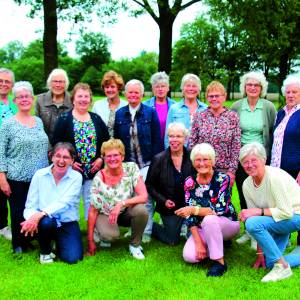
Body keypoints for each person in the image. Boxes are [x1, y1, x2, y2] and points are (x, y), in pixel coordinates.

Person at [175, 143, 239, 277]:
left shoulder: (222, 179)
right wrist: (198, 243)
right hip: (201, 227)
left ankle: (219, 263)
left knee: (210, 220)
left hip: (227, 223)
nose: (202, 163)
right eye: (198, 160)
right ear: (193, 162)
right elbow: (189, 216)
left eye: (206, 159)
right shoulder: (189, 182)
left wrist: (194, 209)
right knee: (190, 256)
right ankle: (216, 243)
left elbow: (219, 209)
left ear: (212, 161)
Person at [239, 142, 300, 282]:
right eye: (245, 162)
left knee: (252, 221)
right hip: (278, 219)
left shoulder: (274, 177)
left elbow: (286, 212)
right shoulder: (247, 184)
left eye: (254, 160)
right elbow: (257, 220)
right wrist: (260, 253)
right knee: (269, 261)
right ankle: (279, 261)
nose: (249, 165)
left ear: (263, 160)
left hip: (295, 215)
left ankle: (282, 267)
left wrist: (257, 211)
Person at [0, 81, 49, 253]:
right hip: (17, 177)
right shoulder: (8, 124)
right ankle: (19, 245)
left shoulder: (38, 121)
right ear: (15, 101)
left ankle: (31, 238)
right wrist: (2, 178)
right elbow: (0, 152)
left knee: (35, 210)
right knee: (18, 211)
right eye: (20, 97)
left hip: (39, 178)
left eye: (27, 96)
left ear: (32, 98)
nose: (24, 99)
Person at [231, 71, 276, 245]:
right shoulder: (236, 106)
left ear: (261, 88)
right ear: (244, 87)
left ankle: (264, 229)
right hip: (241, 158)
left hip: (261, 158)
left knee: (262, 194)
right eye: (249, 84)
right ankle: (249, 231)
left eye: (256, 85)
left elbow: (272, 131)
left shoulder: (268, 107)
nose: (252, 88)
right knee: (244, 193)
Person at [52, 83, 109, 219]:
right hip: (71, 170)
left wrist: (101, 158)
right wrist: (70, 163)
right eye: (80, 96)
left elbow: (106, 142)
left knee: (92, 202)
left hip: (93, 170)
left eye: (86, 96)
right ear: (73, 99)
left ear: (90, 99)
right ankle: (69, 230)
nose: (83, 99)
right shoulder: (64, 119)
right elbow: (57, 143)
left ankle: (92, 232)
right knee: (71, 202)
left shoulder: (96, 118)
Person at [114, 79, 161, 242]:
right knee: (130, 197)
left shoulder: (150, 112)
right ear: (125, 94)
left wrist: (155, 163)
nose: (133, 95)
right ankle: (135, 228)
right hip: (128, 164)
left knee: (146, 197)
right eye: (130, 92)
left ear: (142, 94)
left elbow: (157, 139)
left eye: (136, 92)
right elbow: (117, 141)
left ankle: (146, 231)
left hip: (147, 162)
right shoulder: (120, 113)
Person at [21, 142, 83, 264]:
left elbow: (65, 202)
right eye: (58, 156)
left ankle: (57, 243)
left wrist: (41, 213)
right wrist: (32, 219)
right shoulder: (39, 175)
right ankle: (45, 252)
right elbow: (30, 205)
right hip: (45, 223)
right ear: (51, 157)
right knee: (46, 221)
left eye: (66, 157)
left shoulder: (76, 177)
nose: (61, 160)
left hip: (66, 222)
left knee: (73, 258)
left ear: (72, 160)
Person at [87, 139, 148, 259]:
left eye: (116, 155)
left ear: (122, 156)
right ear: (103, 158)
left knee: (141, 211)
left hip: (124, 211)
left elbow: (144, 197)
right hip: (106, 213)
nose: (112, 159)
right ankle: (102, 234)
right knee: (110, 236)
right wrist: (90, 242)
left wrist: (121, 203)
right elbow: (93, 211)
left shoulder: (131, 168)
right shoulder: (98, 178)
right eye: (108, 156)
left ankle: (135, 245)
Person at [146, 122, 194, 245]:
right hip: (170, 207)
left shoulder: (193, 156)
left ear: (185, 138)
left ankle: (186, 226)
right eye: (171, 136)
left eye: (178, 136)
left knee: (192, 236)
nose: (174, 140)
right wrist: (163, 200)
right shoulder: (159, 159)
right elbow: (149, 185)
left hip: (190, 205)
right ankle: (151, 226)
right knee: (172, 240)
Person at [189, 81, 241, 186]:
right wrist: (196, 165)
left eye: (217, 96)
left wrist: (232, 171)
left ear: (224, 97)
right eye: (210, 96)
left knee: (222, 201)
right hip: (202, 168)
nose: (214, 99)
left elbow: (236, 145)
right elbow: (192, 143)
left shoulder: (232, 117)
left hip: (224, 169)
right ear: (207, 98)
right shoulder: (199, 116)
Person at [164, 73, 207, 148]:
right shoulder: (174, 108)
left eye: (194, 86)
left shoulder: (206, 109)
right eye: (188, 86)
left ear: (199, 89)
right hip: (179, 151)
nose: (191, 89)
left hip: (200, 153)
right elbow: (167, 135)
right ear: (182, 88)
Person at [0, 68, 17, 240]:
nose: (3, 84)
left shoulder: (13, 104)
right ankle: (2, 226)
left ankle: (7, 224)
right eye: (1, 81)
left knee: (8, 190)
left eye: (7, 81)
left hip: (12, 154)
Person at [35, 68, 72, 144]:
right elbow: (37, 128)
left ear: (66, 84)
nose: (58, 85)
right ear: (49, 83)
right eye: (55, 81)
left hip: (66, 148)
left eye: (61, 82)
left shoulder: (73, 101)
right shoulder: (40, 100)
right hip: (43, 145)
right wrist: (48, 148)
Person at [144, 71, 175, 148]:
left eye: (163, 86)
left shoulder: (175, 106)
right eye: (157, 86)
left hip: (170, 145)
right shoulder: (145, 105)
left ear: (168, 88)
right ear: (153, 89)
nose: (160, 89)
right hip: (151, 145)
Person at [92, 70, 127, 137]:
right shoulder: (97, 105)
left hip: (121, 145)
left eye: (112, 86)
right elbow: (93, 128)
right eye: (107, 87)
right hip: (102, 145)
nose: (109, 90)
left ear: (118, 88)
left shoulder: (126, 105)